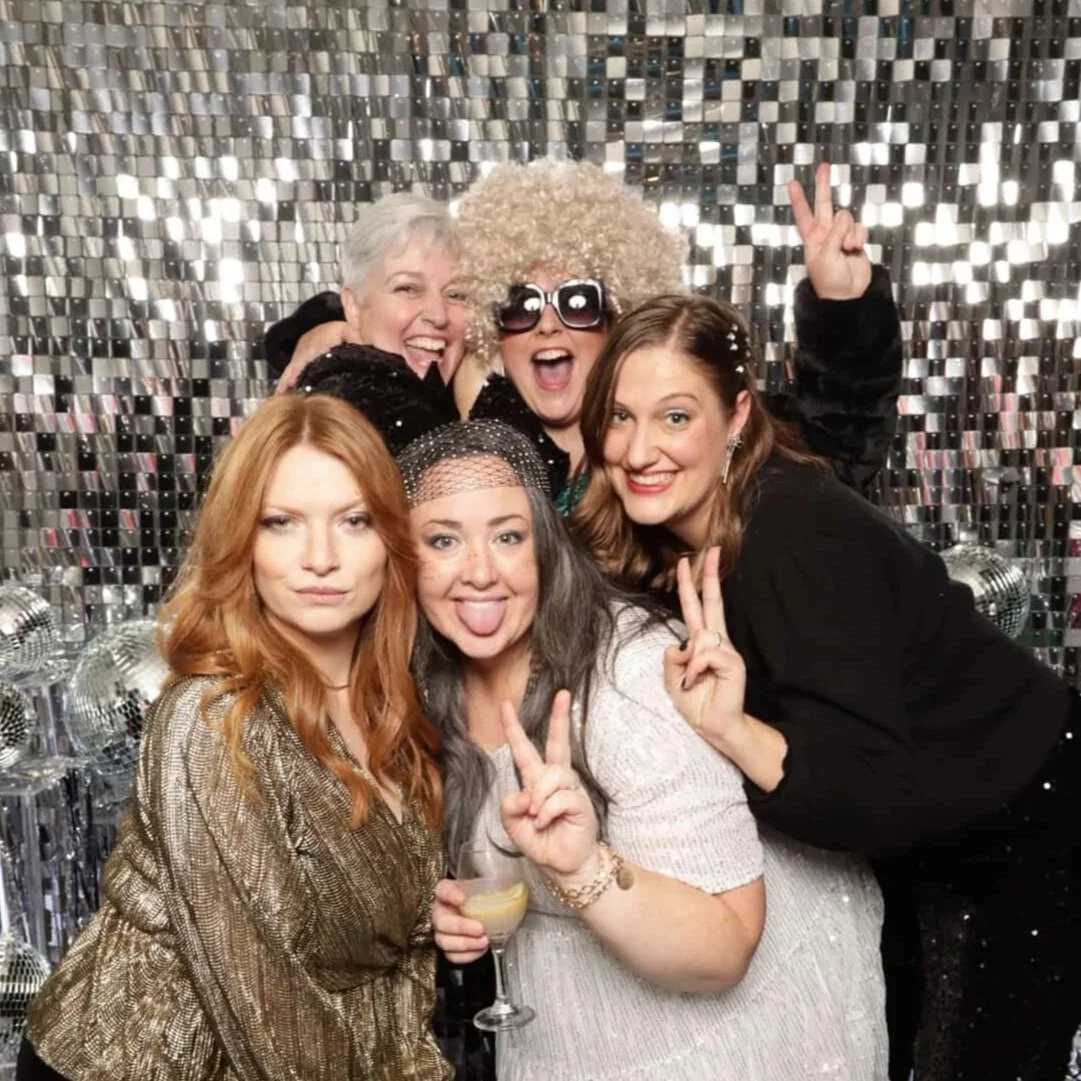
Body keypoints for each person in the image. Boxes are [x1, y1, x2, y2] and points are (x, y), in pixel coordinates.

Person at [573, 292, 1081, 1081]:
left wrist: (733, 729)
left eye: (674, 416)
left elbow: (876, 788)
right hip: (928, 834)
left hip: (1021, 822)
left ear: (736, 416)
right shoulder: (689, 524)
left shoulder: (790, 537)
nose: (639, 450)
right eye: (619, 416)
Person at [398, 418, 887, 1081]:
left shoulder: (630, 678)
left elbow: (724, 949)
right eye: (443, 540)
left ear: (546, 548)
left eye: (508, 536)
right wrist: (446, 914)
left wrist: (582, 870)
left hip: (718, 1038)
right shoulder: (420, 686)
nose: (479, 572)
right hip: (565, 1023)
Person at [19, 395, 450, 1081]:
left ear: (390, 539)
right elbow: (264, 997)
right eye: (281, 523)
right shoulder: (211, 718)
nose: (320, 558)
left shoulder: (394, 704)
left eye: (353, 521)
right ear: (242, 541)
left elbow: (379, 942)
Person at [269, 160, 903, 507]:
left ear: (618, 315)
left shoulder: (678, 441)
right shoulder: (462, 437)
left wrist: (843, 307)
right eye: (519, 304)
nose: (547, 322)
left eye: (578, 301)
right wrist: (327, 327)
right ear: (493, 328)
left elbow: (835, 454)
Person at [268, 191, 472, 403]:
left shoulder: (485, 390)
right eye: (408, 289)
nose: (438, 316)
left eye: (456, 295)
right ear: (353, 306)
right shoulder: (319, 416)